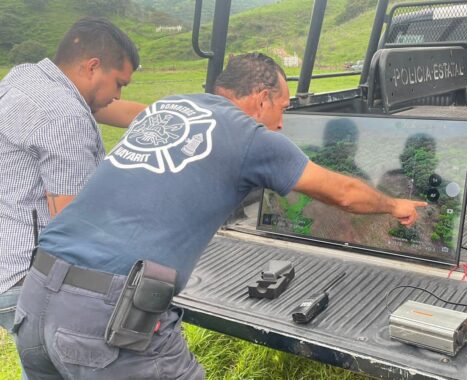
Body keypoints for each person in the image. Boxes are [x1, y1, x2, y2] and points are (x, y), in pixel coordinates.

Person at [13, 53, 427, 378]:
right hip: (108, 317)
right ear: (262, 98)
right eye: (281, 108)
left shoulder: (169, 108)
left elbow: (121, 121)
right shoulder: (251, 136)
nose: (281, 124)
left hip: (35, 298)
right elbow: (346, 193)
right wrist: (395, 205)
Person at [0, 18, 145, 334]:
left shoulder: (29, 79)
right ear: (92, 67)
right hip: (31, 278)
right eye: (119, 84)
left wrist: (179, 116)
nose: (118, 95)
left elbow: (114, 110)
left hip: (7, 259)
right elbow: (73, 226)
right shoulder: (63, 115)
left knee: (40, 364)